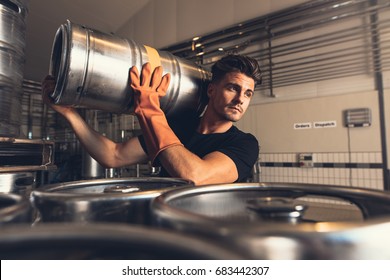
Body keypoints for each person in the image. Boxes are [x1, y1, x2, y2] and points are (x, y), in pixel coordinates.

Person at [42, 54, 262, 185]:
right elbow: (113, 156)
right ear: (212, 90)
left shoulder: (244, 144)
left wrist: (149, 109)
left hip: (207, 241)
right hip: (166, 228)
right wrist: (69, 113)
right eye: (233, 88)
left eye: (248, 93)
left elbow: (195, 176)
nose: (240, 99)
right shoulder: (177, 129)